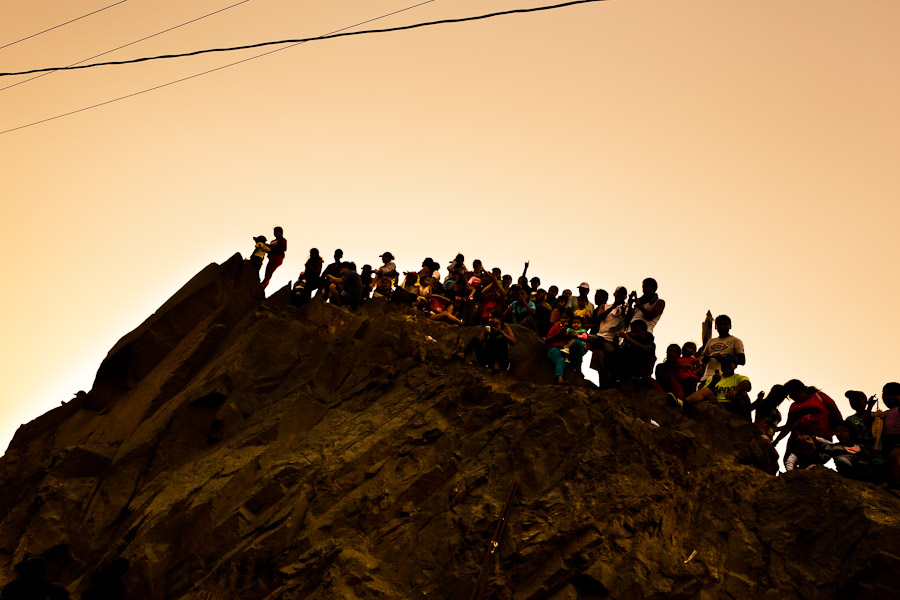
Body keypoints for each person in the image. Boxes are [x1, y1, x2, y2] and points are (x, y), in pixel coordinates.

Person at [772, 380, 844, 470]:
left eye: (791, 395)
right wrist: (777, 440)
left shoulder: (819, 396)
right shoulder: (793, 406)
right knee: (789, 461)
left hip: (820, 438)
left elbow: (836, 414)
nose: (791, 397)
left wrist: (841, 433)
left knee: (813, 462)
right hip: (799, 439)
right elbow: (789, 425)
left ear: (798, 391)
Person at [679, 354, 751, 419]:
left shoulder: (739, 378)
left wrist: (735, 390)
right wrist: (714, 382)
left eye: (729, 363)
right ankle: (682, 403)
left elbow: (747, 384)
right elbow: (705, 392)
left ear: (735, 365)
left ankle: (747, 420)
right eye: (724, 363)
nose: (726, 365)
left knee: (743, 393)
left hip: (732, 405)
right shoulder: (713, 377)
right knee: (706, 391)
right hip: (717, 404)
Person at [589, 287, 627, 388]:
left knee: (607, 365)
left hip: (612, 341)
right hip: (600, 337)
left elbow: (628, 318)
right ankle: (602, 386)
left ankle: (606, 387)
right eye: (618, 293)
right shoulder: (605, 306)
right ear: (614, 294)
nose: (619, 295)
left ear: (625, 296)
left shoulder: (626, 308)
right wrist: (613, 306)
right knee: (600, 364)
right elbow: (599, 316)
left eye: (622, 294)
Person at [699, 315, 745, 380]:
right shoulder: (711, 341)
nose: (722, 327)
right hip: (706, 377)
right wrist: (705, 358)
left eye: (725, 324)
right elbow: (702, 359)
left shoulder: (736, 341)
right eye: (720, 324)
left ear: (730, 326)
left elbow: (742, 360)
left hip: (724, 379)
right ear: (715, 327)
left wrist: (724, 357)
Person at [545, 313, 579, 385]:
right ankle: (560, 379)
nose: (564, 320)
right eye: (562, 318)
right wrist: (560, 334)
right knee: (560, 360)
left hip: (565, 351)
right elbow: (547, 340)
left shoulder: (571, 330)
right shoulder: (557, 327)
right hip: (554, 349)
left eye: (566, 318)